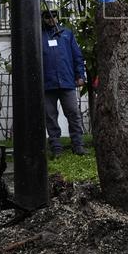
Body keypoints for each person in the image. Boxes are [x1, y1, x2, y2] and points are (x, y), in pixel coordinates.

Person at [41, 9, 87, 156]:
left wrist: (80, 75)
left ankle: (78, 145)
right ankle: (56, 147)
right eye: (47, 16)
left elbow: (77, 56)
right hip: (47, 83)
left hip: (67, 81)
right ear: (42, 18)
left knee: (73, 113)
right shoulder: (38, 35)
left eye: (54, 16)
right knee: (50, 116)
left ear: (57, 17)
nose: (51, 19)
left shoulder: (67, 33)